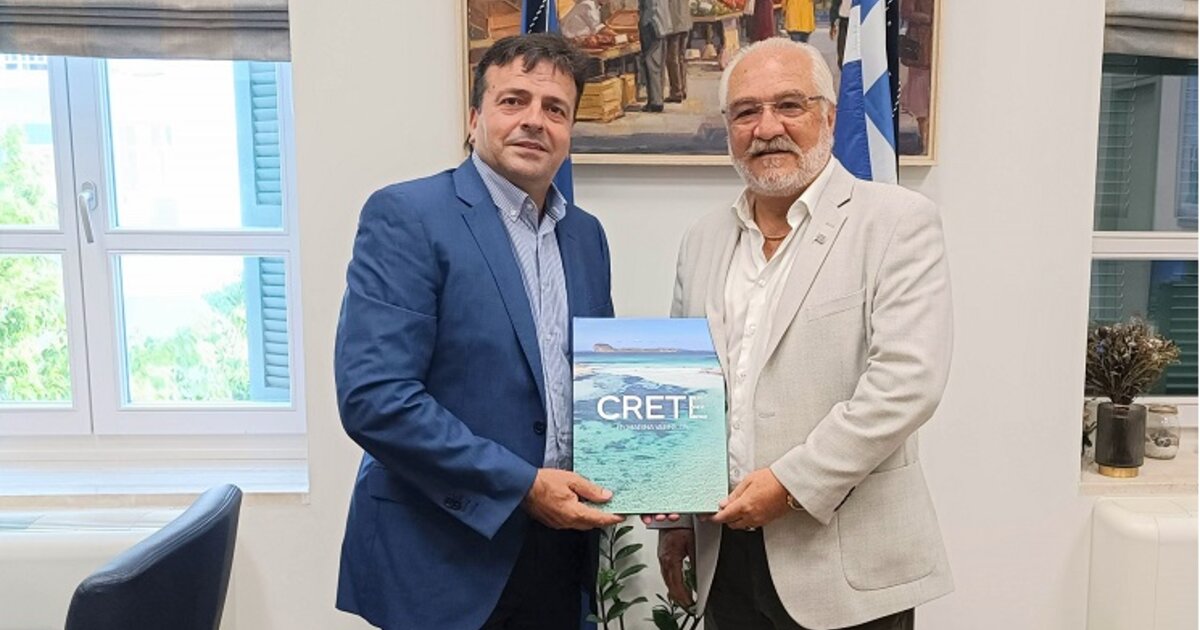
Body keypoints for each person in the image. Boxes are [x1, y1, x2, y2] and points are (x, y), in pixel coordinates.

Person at [653, 38, 953, 630]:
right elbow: (683, 388)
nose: (767, 128)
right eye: (746, 111)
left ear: (830, 117)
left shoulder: (897, 222)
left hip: (845, 563)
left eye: (789, 105)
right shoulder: (702, 239)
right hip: (725, 551)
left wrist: (790, 484)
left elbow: (906, 384)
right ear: (728, 128)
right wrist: (678, 519)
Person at [334, 33, 624, 630]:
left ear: (571, 131)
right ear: (474, 119)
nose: (534, 120)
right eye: (513, 101)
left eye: (555, 109)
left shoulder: (586, 236)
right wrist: (522, 486)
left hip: (559, 551)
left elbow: (600, 382)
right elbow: (376, 399)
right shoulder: (408, 217)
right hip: (443, 556)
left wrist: (661, 470)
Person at [638, 0, 670, 112]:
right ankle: (656, 99)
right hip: (662, 26)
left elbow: (652, 8)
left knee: (651, 63)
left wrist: (644, 23)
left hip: (652, 25)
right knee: (657, 64)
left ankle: (655, 101)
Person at [664, 0, 693, 103]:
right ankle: (682, 89)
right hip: (685, 22)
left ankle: (676, 91)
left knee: (672, 59)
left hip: (674, 24)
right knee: (680, 58)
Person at [829, 0, 850, 67]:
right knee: (842, 47)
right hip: (844, 20)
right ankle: (842, 64)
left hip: (857, 20)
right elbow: (835, 4)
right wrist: (833, 24)